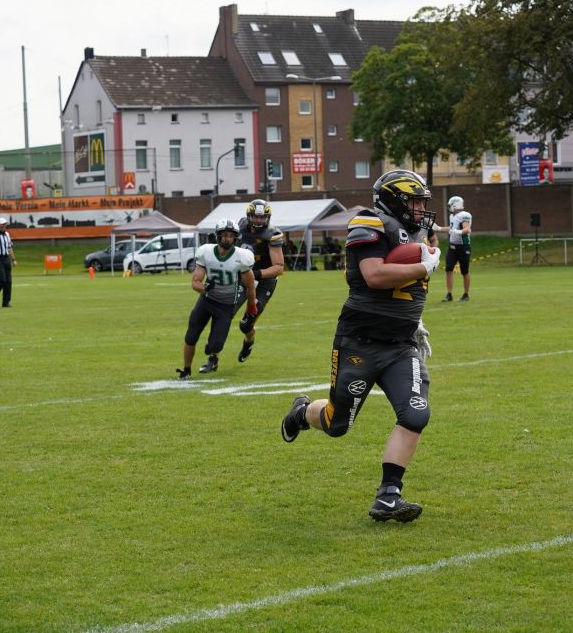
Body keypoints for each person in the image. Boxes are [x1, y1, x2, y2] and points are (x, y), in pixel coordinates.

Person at [280, 170, 441, 523]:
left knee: (415, 414)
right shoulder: (369, 221)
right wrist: (421, 265)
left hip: (400, 345)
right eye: (414, 201)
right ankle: (302, 412)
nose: (420, 209)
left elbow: (411, 289)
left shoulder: (417, 232)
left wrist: (416, 321)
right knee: (337, 424)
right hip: (360, 342)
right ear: (394, 200)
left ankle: (388, 496)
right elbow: (374, 275)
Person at [176, 219, 257, 380]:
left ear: (236, 238)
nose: (227, 239)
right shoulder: (206, 252)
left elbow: (250, 285)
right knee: (191, 336)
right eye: (224, 235)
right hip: (206, 301)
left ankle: (213, 358)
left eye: (231, 236)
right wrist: (205, 287)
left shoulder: (242, 257)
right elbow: (195, 283)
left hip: (226, 305)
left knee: (215, 346)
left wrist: (251, 305)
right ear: (218, 236)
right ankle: (186, 370)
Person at [232, 199, 285, 363]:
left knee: (246, 325)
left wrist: (254, 274)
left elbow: (278, 267)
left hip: (264, 280)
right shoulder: (239, 228)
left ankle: (248, 342)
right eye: (256, 216)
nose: (259, 220)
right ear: (249, 216)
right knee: (226, 313)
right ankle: (213, 356)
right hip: (243, 277)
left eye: (262, 217)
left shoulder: (272, 234)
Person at [436, 195, 472, 302]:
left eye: (450, 205)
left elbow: (467, 229)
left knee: (465, 271)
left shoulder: (464, 215)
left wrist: (457, 232)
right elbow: (452, 228)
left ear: (455, 205)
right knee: (449, 269)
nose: (449, 207)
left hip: (463, 246)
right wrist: (438, 228)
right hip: (452, 246)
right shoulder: (452, 216)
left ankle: (466, 294)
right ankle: (449, 294)